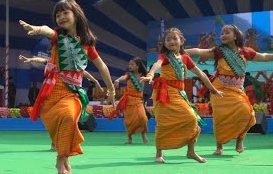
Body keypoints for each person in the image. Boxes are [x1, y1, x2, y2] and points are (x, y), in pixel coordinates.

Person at [18, 0, 115, 174]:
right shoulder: (58, 37)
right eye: (58, 15)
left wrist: (111, 89)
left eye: (65, 13)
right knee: (57, 126)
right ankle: (65, 158)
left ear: (76, 15)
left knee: (69, 117)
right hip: (51, 91)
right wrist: (37, 29)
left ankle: (60, 160)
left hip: (73, 93)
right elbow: (48, 31)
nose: (61, 17)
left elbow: (102, 66)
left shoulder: (87, 44)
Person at [186, 24, 273, 155]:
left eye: (227, 32)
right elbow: (199, 51)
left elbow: (264, 56)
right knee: (220, 118)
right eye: (222, 33)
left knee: (247, 113)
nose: (223, 35)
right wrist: (181, 52)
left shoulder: (246, 51)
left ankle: (240, 139)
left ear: (236, 35)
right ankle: (219, 146)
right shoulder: (219, 51)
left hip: (237, 91)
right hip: (219, 90)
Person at [140, 27, 223, 163]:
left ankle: (191, 152)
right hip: (165, 93)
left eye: (174, 38)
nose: (171, 41)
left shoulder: (185, 57)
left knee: (191, 119)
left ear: (181, 41)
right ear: (164, 43)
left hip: (179, 94)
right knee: (163, 122)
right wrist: (150, 75)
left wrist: (212, 89)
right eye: (168, 39)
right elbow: (157, 64)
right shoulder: (164, 56)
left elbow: (200, 73)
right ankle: (159, 154)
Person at [108, 57, 149, 144]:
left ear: (137, 66)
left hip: (138, 100)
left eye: (132, 64)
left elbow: (150, 78)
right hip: (128, 100)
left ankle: (143, 135)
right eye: (129, 64)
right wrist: (118, 80)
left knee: (143, 118)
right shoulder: (129, 75)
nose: (129, 66)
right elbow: (123, 77)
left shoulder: (144, 76)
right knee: (128, 120)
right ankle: (129, 138)